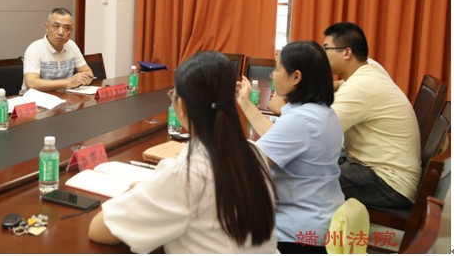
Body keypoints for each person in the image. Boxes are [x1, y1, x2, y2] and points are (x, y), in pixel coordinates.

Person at [88, 51, 277, 253]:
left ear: (181, 105)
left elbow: (99, 230)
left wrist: (138, 191)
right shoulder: (253, 152)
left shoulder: (185, 174)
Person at [237, 41, 344, 254]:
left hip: (296, 235)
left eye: (277, 69)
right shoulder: (321, 112)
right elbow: (278, 138)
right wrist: (246, 104)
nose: (272, 75)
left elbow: (248, 167)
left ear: (296, 77)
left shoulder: (301, 120)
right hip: (323, 219)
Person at [322, 22, 420, 208]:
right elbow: (341, 85)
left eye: (326, 49)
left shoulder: (359, 87)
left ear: (347, 53)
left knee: (306, 179)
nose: (322, 55)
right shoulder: (370, 67)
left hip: (388, 183)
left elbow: (319, 132)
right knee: (314, 169)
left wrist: (284, 110)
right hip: (387, 171)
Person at [23, 8, 93, 92]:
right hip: (35, 98)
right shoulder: (35, 49)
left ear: (71, 30)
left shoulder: (72, 46)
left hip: (64, 96)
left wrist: (85, 79)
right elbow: (31, 83)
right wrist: (68, 82)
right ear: (46, 27)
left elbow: (88, 72)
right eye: (56, 26)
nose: (61, 32)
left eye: (66, 28)